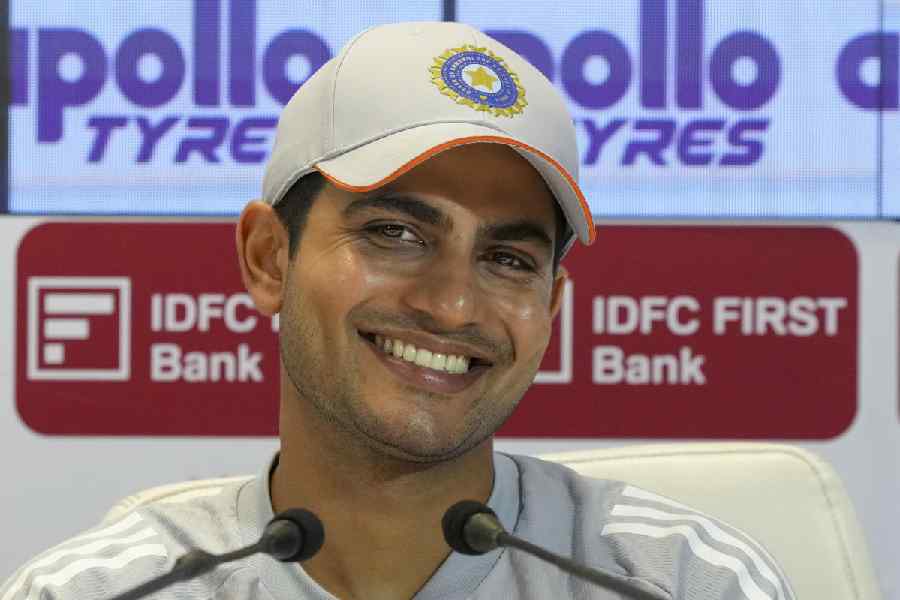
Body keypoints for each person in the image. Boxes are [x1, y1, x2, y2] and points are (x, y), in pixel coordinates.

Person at [2, 22, 794, 600]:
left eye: (509, 259)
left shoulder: (683, 582)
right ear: (268, 257)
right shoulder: (101, 592)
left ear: (551, 305)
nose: (452, 305)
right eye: (396, 234)